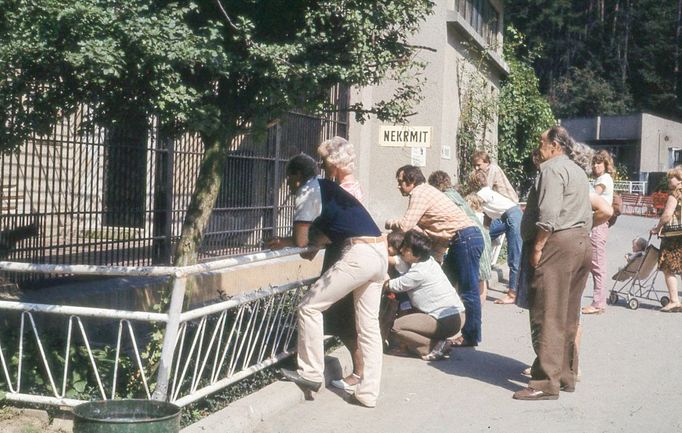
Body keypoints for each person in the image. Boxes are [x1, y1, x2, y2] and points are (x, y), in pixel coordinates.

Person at [267, 154, 387, 408]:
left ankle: (310, 374)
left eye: (288, 179)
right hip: (379, 252)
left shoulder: (306, 192)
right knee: (368, 328)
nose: (288, 184)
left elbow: (302, 241)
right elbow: (324, 234)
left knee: (309, 307)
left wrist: (291, 242)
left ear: (295, 177)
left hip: (358, 255)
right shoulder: (328, 187)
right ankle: (367, 394)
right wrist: (296, 241)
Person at [513, 126, 593, 401]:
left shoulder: (551, 169)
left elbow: (548, 213)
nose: (539, 146)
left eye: (542, 141)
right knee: (568, 314)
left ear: (555, 145)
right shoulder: (577, 171)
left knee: (547, 313)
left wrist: (538, 245)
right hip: (581, 241)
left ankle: (545, 383)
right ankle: (564, 376)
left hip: (558, 243)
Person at [385, 165, 484, 347]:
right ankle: (435, 327)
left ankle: (470, 335)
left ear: (412, 180)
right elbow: (432, 233)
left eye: (400, 182)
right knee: (443, 282)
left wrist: (391, 223)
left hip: (465, 238)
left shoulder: (420, 193)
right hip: (459, 239)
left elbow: (406, 226)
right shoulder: (426, 192)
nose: (398, 186)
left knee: (468, 289)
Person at [315, 137, 366, 392]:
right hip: (349, 254)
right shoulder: (353, 186)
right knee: (342, 317)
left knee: (333, 314)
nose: (323, 169)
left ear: (334, 164)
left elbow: (334, 229)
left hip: (343, 255)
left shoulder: (342, 191)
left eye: (325, 163)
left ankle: (357, 373)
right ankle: (360, 372)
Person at [385, 230, 466, 360]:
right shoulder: (429, 261)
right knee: (410, 329)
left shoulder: (419, 272)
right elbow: (401, 263)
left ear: (416, 255)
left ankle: (434, 345)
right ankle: (432, 346)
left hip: (445, 320)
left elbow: (393, 285)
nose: (401, 250)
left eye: (406, 248)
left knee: (396, 328)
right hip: (456, 316)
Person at [428, 170, 493, 305]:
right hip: (480, 233)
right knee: (481, 277)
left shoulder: (444, 197)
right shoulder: (455, 194)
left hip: (468, 234)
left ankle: (468, 311)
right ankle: (477, 310)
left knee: (471, 279)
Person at [470, 170, 522, 305]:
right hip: (509, 217)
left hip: (512, 218)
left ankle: (512, 293)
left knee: (514, 256)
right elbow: (487, 219)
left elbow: (470, 206)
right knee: (483, 237)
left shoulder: (483, 193)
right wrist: (484, 234)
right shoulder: (489, 193)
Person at [582, 150, 615, 315]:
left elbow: (591, 198)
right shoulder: (602, 179)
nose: (595, 166)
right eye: (594, 163)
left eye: (599, 163)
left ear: (606, 165)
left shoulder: (603, 180)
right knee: (596, 263)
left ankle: (598, 303)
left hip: (598, 223)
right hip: (600, 223)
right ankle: (598, 302)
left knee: (596, 264)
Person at [650, 166, 682, 312]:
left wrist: (657, 228)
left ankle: (674, 300)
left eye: (672, 177)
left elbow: (667, 215)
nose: (669, 180)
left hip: (673, 236)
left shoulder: (674, 194)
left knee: (668, 267)